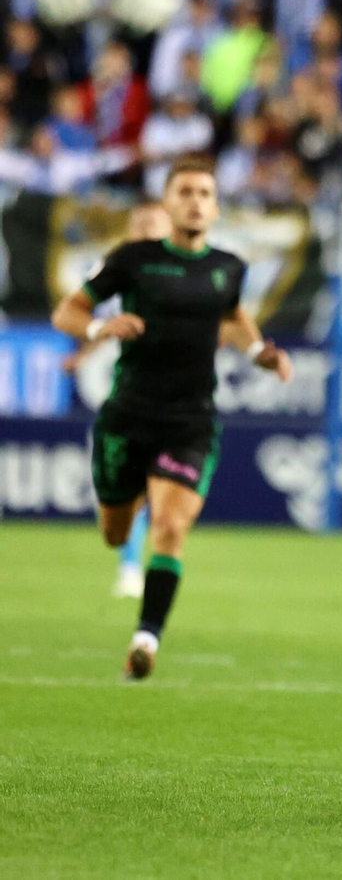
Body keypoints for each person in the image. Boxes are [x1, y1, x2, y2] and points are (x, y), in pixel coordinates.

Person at [50, 160, 294, 680]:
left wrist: (259, 352)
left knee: (170, 526)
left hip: (190, 422)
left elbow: (233, 316)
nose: (196, 201)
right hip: (127, 417)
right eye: (185, 192)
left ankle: (146, 640)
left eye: (205, 193)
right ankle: (130, 510)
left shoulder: (229, 267)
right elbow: (66, 312)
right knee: (116, 532)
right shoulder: (132, 259)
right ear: (167, 203)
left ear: (216, 207)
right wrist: (99, 327)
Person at [60, 201, 173, 599]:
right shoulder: (115, 268)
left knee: (162, 487)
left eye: (153, 222)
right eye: (139, 223)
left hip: (175, 395)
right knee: (129, 484)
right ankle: (130, 564)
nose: (145, 229)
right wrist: (86, 350)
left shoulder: (187, 271)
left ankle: (145, 564)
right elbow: (100, 319)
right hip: (122, 385)